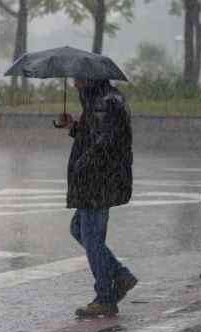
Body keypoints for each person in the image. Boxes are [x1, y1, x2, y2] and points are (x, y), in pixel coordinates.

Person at [57, 79, 138, 317]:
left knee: (91, 237)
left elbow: (103, 143)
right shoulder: (101, 100)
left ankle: (105, 296)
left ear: (89, 78)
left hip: (96, 181)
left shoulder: (103, 103)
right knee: (78, 228)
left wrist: (83, 164)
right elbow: (94, 135)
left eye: (77, 79)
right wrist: (73, 126)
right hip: (99, 180)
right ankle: (120, 275)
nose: (73, 84)